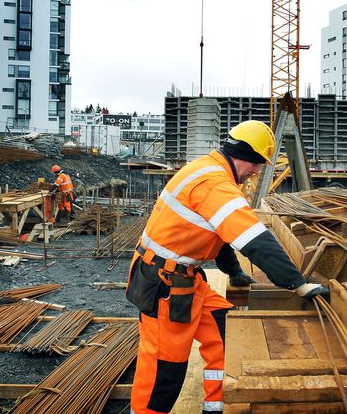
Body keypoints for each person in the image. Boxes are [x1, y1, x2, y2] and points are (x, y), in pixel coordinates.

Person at [125, 120, 329, 414]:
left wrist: (234, 273)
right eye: (257, 163)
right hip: (165, 285)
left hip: (184, 280)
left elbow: (218, 234)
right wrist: (298, 283)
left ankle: (214, 407)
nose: (257, 171)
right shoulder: (215, 185)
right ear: (243, 155)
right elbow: (254, 240)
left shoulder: (210, 169)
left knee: (224, 334)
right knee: (164, 369)